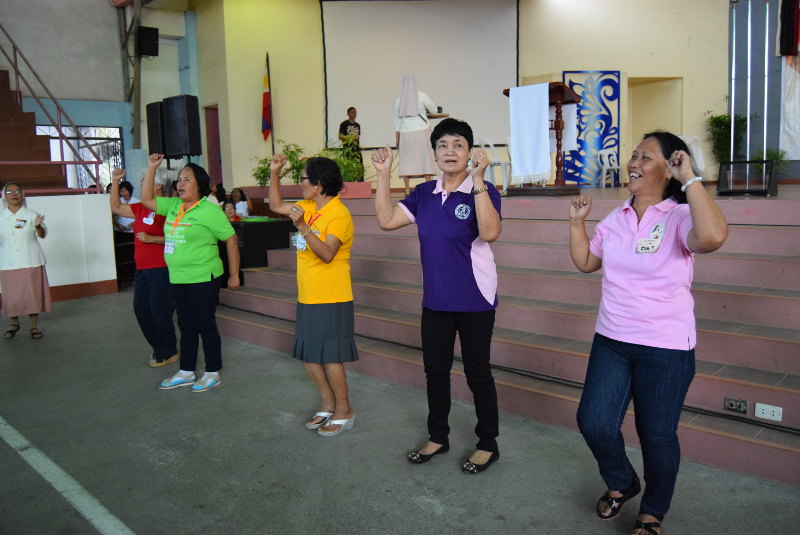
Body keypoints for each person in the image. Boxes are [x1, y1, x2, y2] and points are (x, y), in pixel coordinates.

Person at [569, 132, 728, 535]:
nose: (633, 162)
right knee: (594, 422)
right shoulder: (616, 218)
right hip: (612, 340)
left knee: (655, 436)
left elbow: (712, 237)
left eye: (645, 156)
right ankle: (623, 481)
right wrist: (576, 223)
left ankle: (652, 512)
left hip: (666, 346)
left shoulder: (680, 215)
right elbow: (587, 261)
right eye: (633, 155)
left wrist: (690, 179)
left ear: (668, 168)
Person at [372, 118, 503, 474]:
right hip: (436, 301)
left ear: (470, 152)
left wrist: (477, 179)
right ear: (434, 153)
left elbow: (490, 232)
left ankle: (488, 443)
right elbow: (385, 220)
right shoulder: (424, 195)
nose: (450, 151)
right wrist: (383, 175)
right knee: (435, 372)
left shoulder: (484, 190)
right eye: (443, 145)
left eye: (458, 145)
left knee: (478, 373)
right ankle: (438, 436)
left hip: (475, 299)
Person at [268, 154, 358, 436]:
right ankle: (328, 403)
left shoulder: (339, 214)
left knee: (330, 356)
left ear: (319, 184)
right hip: (308, 294)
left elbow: (328, 254)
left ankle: (345, 409)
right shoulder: (307, 206)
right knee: (309, 356)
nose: (300, 183)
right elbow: (274, 205)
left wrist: (303, 227)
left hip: (332, 295)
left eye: (304, 179)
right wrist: (274, 173)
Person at [139, 154, 241, 393]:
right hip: (178, 277)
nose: (180, 184)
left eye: (187, 180)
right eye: (179, 180)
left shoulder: (210, 210)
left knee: (205, 325)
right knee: (185, 325)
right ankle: (186, 371)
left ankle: (212, 371)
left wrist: (234, 274)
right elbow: (146, 199)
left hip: (204, 277)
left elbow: (231, 240)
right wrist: (152, 168)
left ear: (200, 185)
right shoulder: (173, 206)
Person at [109, 167, 178, 367]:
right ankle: (159, 347)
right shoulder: (140, 207)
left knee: (159, 309)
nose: (141, 183)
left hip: (161, 266)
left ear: (158, 185)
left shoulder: (169, 207)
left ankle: (168, 351)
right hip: (142, 268)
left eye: (145, 179)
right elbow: (116, 207)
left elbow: (179, 236)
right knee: (141, 309)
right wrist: (115, 181)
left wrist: (153, 239)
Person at [1, 182, 51, 340]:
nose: (14, 194)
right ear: (4, 196)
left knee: (32, 294)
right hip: (8, 262)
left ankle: (33, 326)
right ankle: (14, 324)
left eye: (18, 191)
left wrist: (37, 227)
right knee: (12, 296)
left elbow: (43, 234)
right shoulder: (1, 217)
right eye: (10, 191)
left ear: (22, 195)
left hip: (31, 259)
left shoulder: (31, 214)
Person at [395, 74, 438, 195]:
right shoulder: (422, 95)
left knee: (406, 161)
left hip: (405, 133)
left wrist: (397, 139)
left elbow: (397, 121)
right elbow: (434, 110)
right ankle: (428, 185)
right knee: (425, 158)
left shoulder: (399, 99)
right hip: (421, 131)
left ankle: (407, 189)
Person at [338, 106, 363, 176]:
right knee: (348, 166)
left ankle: (360, 183)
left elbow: (358, 137)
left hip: (356, 148)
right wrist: (350, 138)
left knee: (359, 166)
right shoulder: (344, 124)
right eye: (352, 112)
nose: (354, 114)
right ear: (348, 114)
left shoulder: (357, 125)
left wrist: (356, 138)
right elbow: (340, 136)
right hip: (347, 149)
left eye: (355, 112)